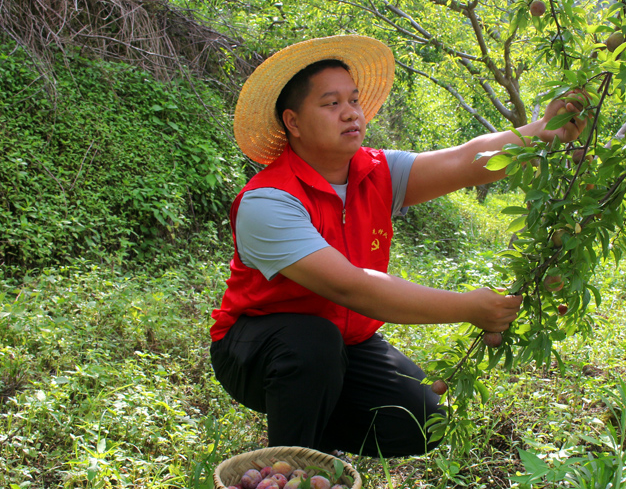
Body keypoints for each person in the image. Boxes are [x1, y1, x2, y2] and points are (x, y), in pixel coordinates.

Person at [210, 35, 583, 458]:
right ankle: (292, 468)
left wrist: (542, 131)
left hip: (343, 343)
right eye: (331, 104)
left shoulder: (376, 171)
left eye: (353, 99)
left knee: (424, 419)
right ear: (293, 122)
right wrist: (470, 307)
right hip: (261, 346)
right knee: (311, 343)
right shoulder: (269, 201)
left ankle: (313, 420)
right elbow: (353, 288)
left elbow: (465, 159)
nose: (351, 112)